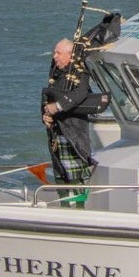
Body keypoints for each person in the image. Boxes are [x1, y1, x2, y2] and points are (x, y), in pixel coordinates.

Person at [41, 36, 110, 195]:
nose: (54, 56)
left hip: (73, 131)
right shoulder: (57, 74)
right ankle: (64, 206)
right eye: (54, 52)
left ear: (70, 54)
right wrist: (46, 115)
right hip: (56, 132)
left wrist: (57, 107)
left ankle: (79, 209)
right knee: (60, 174)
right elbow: (47, 98)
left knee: (75, 175)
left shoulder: (81, 72)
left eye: (58, 53)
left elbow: (80, 94)